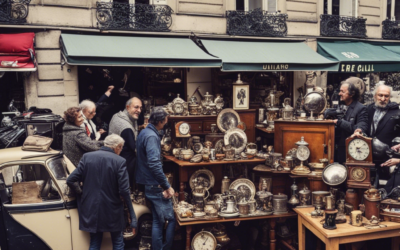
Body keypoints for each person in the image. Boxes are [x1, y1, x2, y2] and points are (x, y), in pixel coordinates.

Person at [66, 134, 136, 250]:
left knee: (95, 242)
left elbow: (71, 180)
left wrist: (81, 192)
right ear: (118, 147)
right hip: (112, 209)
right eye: (121, 148)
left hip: (91, 208)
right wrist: (132, 216)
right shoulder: (120, 161)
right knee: (118, 242)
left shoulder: (87, 157)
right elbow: (124, 190)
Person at [135, 106, 175, 250]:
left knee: (158, 220)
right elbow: (153, 164)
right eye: (166, 119)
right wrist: (167, 186)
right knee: (170, 219)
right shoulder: (151, 136)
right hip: (154, 184)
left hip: (147, 182)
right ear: (162, 120)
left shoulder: (145, 132)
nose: (167, 121)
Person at [354, 84, 400, 186]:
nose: (383, 99)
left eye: (386, 96)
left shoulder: (396, 111)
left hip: (387, 156)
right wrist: (359, 129)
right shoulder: (368, 109)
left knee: (385, 187)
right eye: (380, 95)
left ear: (389, 97)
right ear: (375, 96)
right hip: (367, 154)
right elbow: (363, 123)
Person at [109, 97, 142, 190]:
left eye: (140, 107)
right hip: (124, 162)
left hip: (114, 159)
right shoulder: (126, 127)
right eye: (136, 107)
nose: (139, 110)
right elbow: (135, 149)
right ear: (128, 107)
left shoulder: (117, 115)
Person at [332, 79, 368, 164]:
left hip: (349, 150)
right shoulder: (339, 106)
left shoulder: (361, 108)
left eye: (342, 92)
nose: (339, 93)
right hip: (334, 148)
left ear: (352, 94)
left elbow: (360, 127)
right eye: (339, 91)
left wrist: (339, 122)